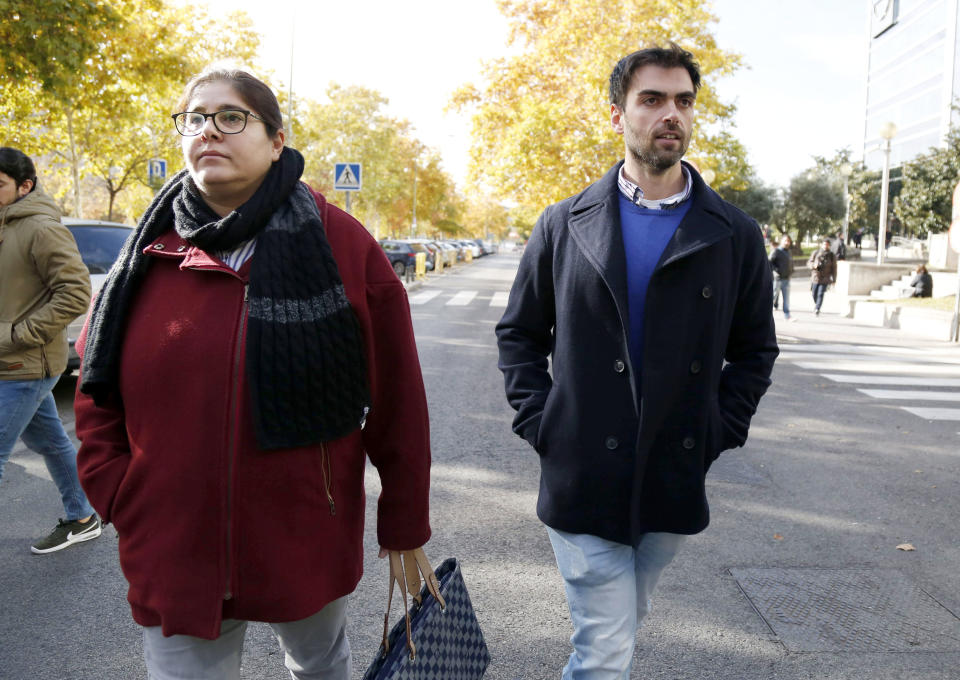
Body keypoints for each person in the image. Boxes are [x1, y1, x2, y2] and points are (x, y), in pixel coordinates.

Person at [73, 68, 432, 680]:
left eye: (231, 117)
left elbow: (398, 398)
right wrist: (119, 493)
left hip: (302, 528)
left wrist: (403, 521)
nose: (209, 130)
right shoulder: (147, 251)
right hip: (173, 536)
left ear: (275, 139)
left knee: (318, 666)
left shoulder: (340, 243)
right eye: (194, 118)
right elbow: (95, 390)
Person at [495, 44, 778, 679]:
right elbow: (519, 333)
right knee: (604, 647)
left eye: (682, 100)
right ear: (618, 115)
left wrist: (719, 429)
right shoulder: (564, 223)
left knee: (622, 623)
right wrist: (543, 424)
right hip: (583, 470)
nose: (669, 113)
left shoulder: (733, 233)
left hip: (673, 470)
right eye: (651, 99)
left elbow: (755, 349)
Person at [0, 147, 100, 554]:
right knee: (52, 442)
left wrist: (17, 333)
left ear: (25, 186)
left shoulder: (42, 229)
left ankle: (82, 516)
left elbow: (76, 293)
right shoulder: (5, 226)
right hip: (11, 358)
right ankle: (82, 517)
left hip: (25, 360)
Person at [807, 238, 837, 316]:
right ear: (822, 244)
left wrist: (834, 279)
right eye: (824, 244)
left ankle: (817, 308)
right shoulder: (816, 252)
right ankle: (817, 304)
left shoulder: (831, 255)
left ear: (829, 246)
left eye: (827, 244)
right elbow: (809, 262)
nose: (825, 246)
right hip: (816, 277)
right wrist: (813, 265)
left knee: (820, 293)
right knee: (814, 293)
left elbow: (834, 268)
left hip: (825, 278)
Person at [769, 234, 794, 320]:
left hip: (786, 278)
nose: (787, 242)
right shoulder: (777, 251)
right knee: (774, 295)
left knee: (786, 298)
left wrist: (791, 271)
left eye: (788, 241)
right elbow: (769, 262)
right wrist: (775, 272)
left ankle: (787, 315)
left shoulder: (789, 252)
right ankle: (767, 314)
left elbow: (791, 263)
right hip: (778, 279)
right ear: (781, 241)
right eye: (785, 240)